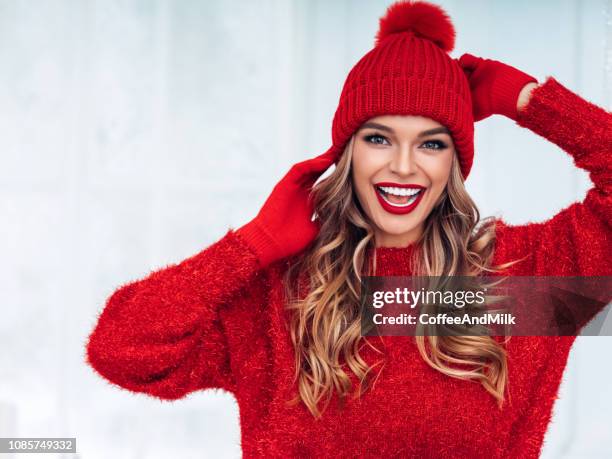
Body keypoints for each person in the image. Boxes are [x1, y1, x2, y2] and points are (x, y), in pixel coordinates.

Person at [84, 1, 611, 457]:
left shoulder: (520, 283)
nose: (404, 166)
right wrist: (251, 246)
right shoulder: (280, 293)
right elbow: (121, 349)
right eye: (379, 139)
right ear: (346, 152)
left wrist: (528, 101)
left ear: (454, 161)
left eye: (431, 143)